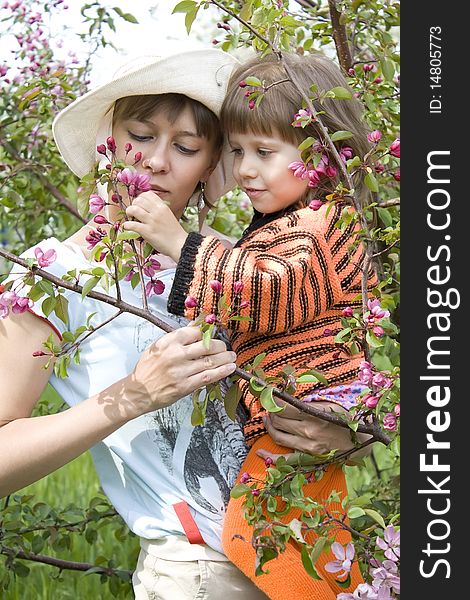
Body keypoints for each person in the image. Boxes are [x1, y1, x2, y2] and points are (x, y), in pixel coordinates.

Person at [0, 49, 363, 600]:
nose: (156, 162)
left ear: (213, 162)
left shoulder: (239, 268)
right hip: (198, 575)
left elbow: (321, 374)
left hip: (306, 559)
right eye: (140, 135)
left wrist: (345, 433)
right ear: (108, 139)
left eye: (187, 147)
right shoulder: (53, 279)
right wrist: (132, 394)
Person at [123, 51, 376, 600]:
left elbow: (263, 290)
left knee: (268, 535)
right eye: (237, 151)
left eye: (264, 152)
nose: (243, 170)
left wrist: (177, 243)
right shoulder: (295, 220)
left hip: (305, 409)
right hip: (292, 417)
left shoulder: (319, 221)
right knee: (305, 531)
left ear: (326, 155)